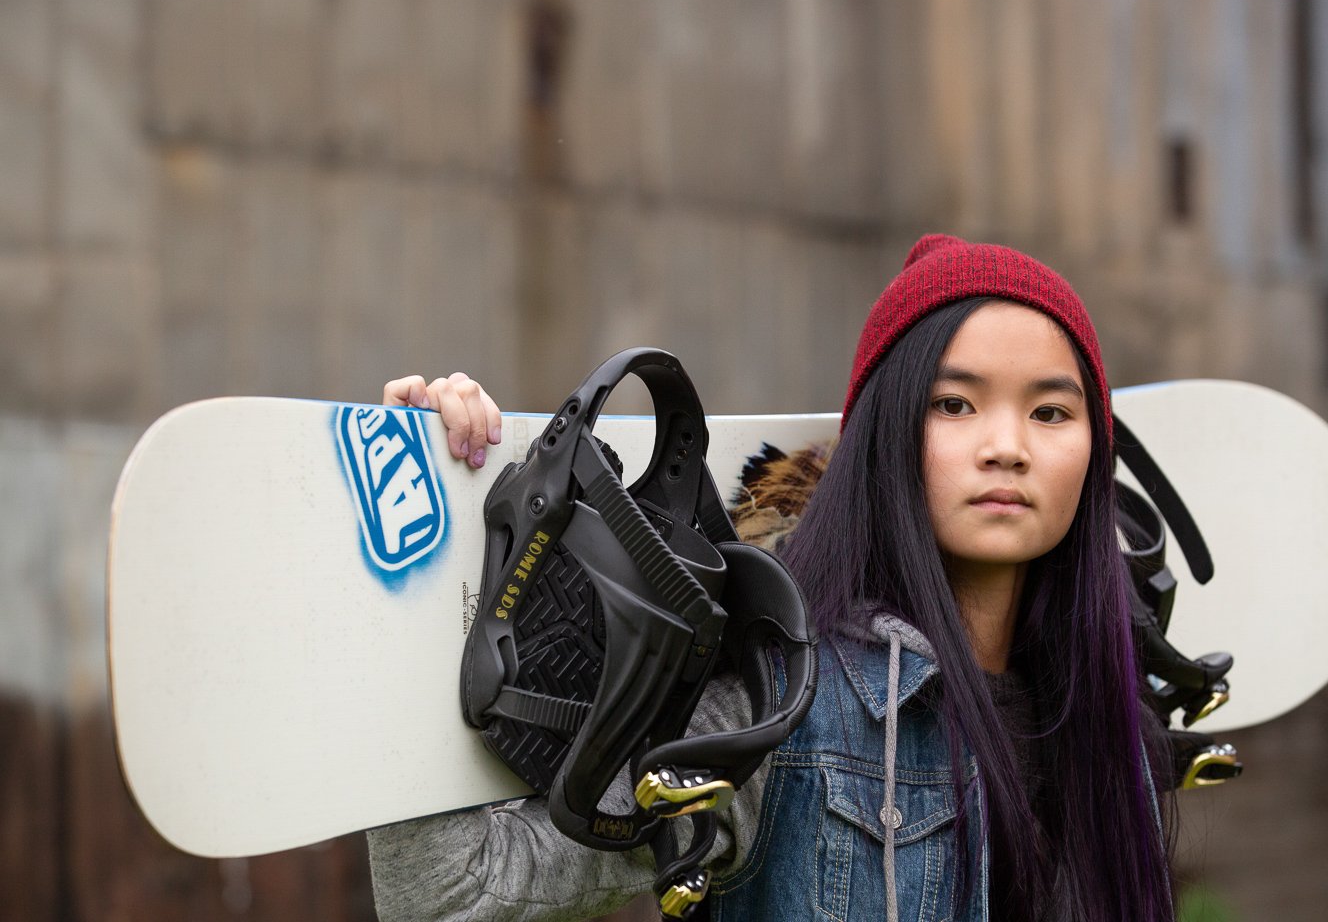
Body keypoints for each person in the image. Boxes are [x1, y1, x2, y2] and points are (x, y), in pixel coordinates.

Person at [368, 234, 1176, 921]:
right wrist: (427, 550)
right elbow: (455, 892)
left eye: (1051, 412)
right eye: (955, 405)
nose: (1008, 445)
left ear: (1092, 453)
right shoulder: (782, 709)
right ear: (884, 438)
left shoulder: (1109, 722)